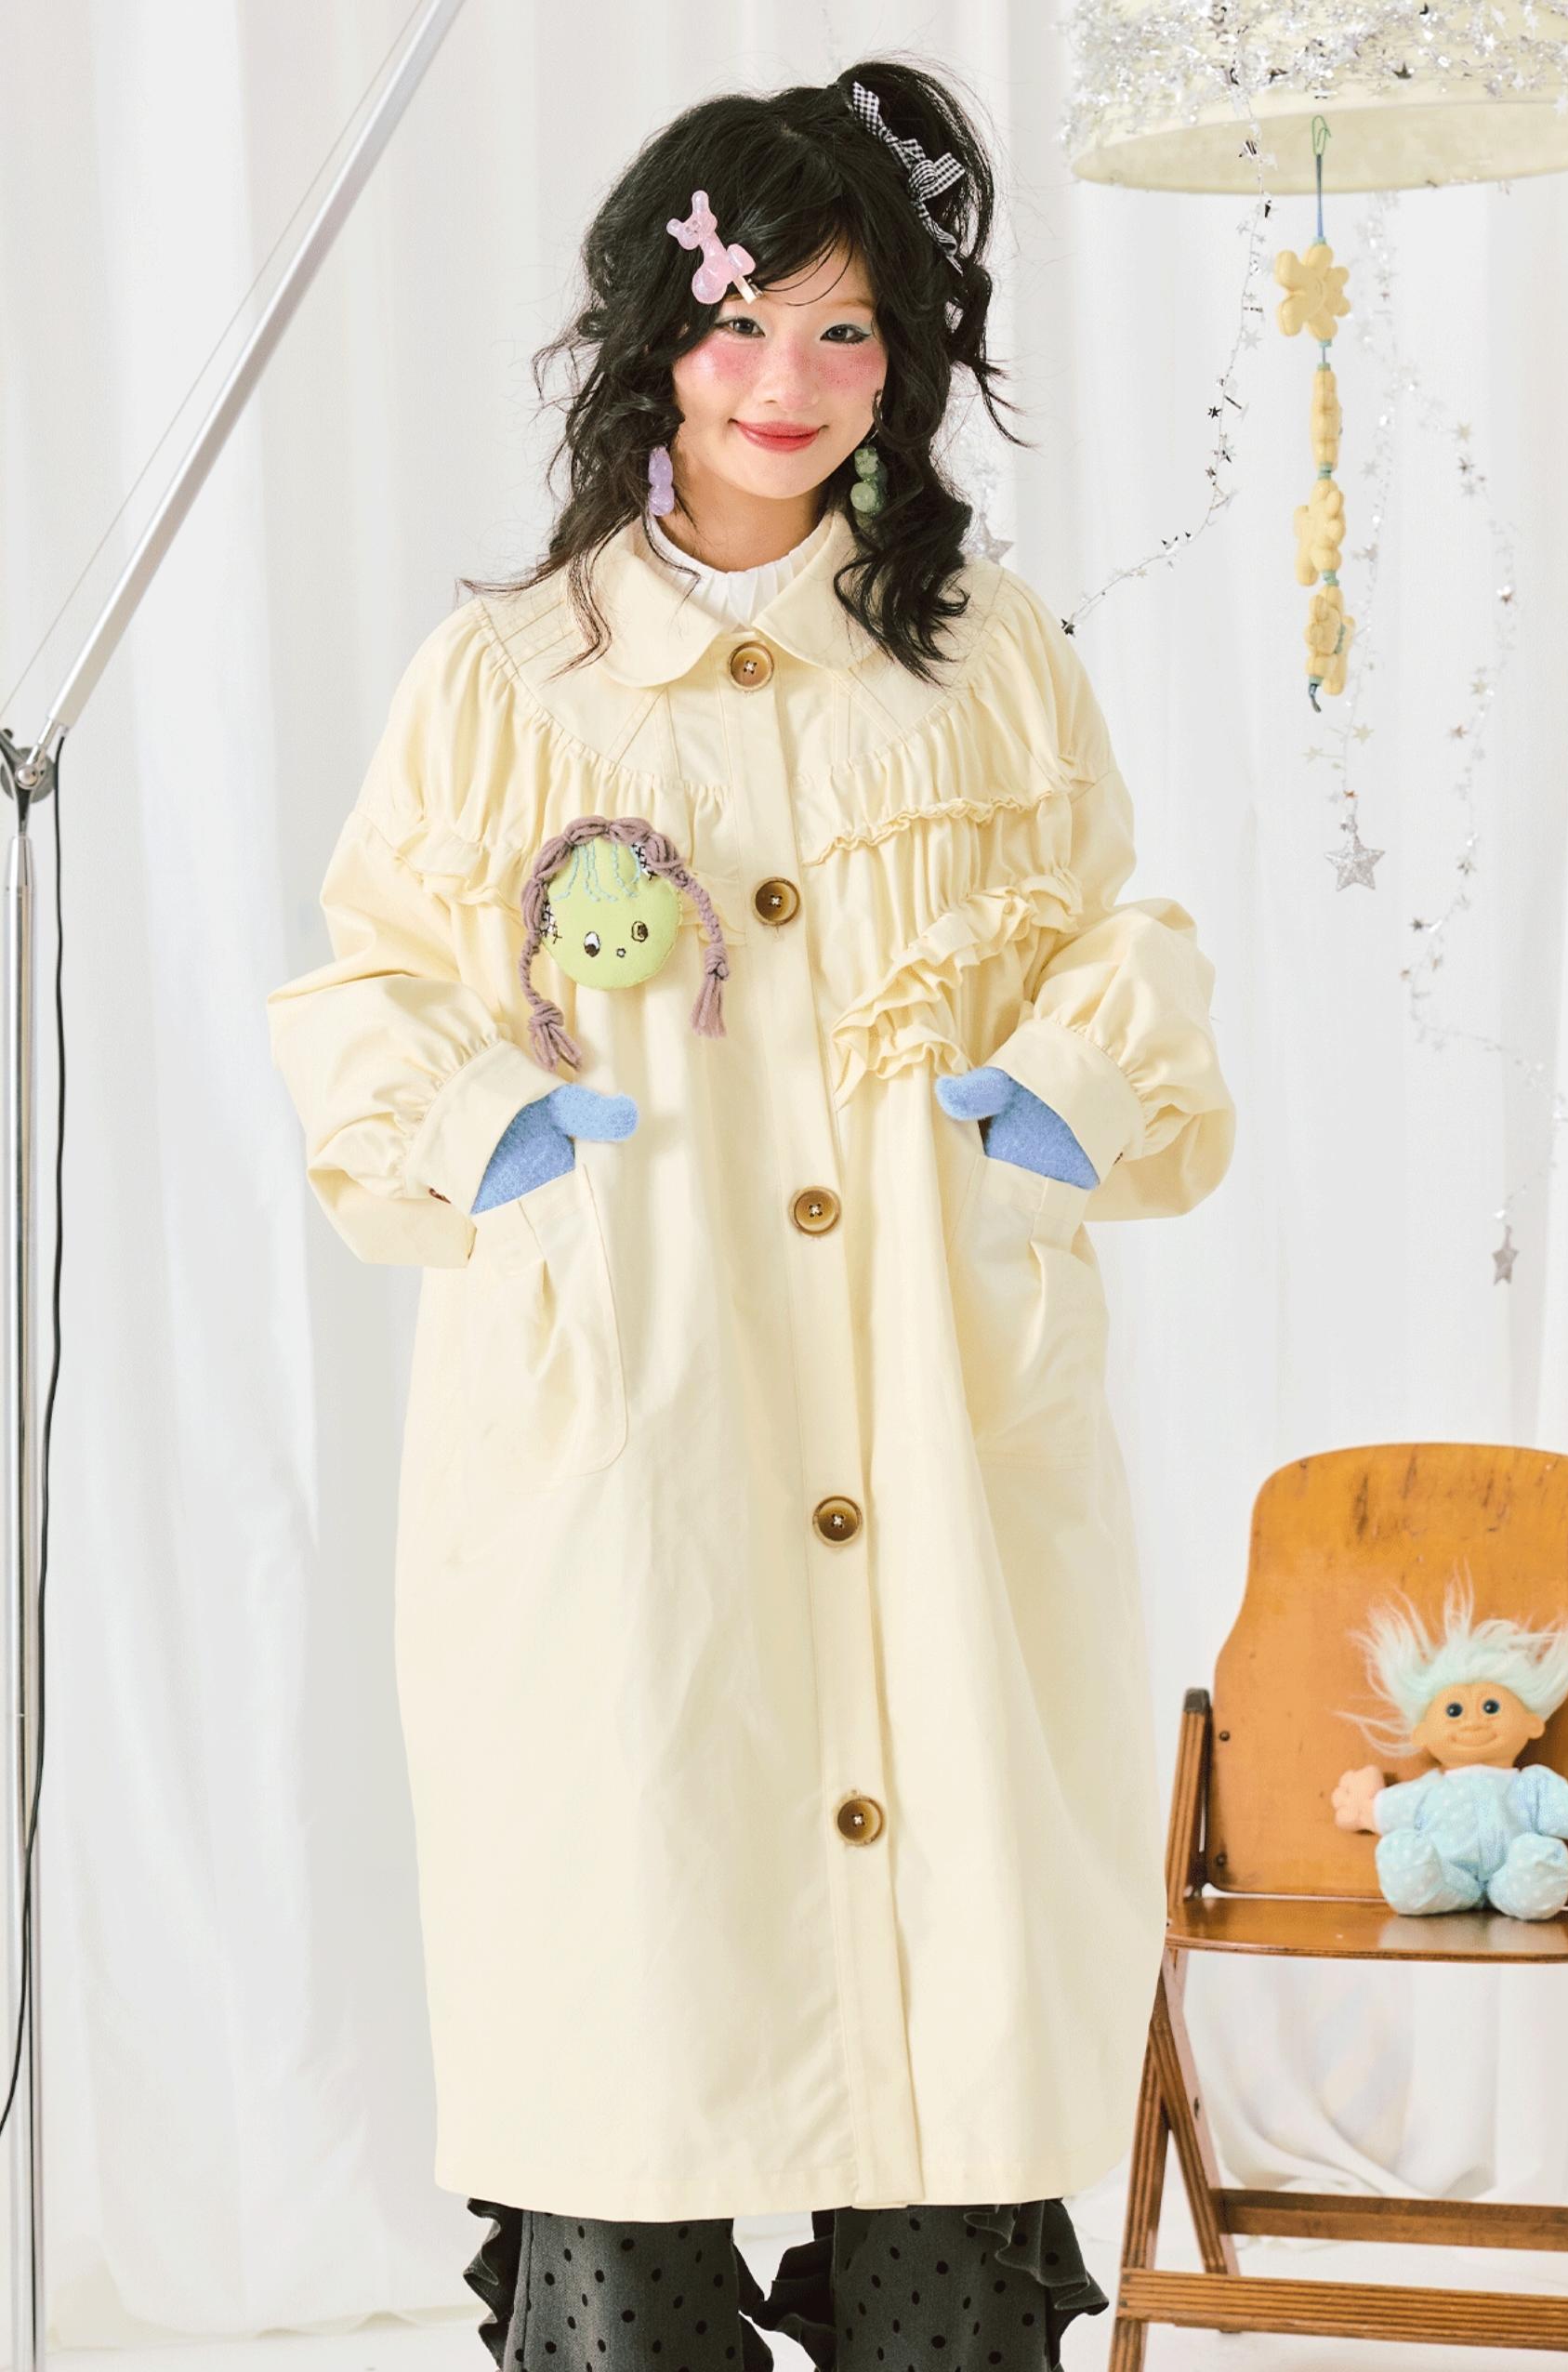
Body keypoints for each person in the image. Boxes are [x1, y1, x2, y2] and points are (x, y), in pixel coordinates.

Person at [265, 57, 1236, 2372]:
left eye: (842, 329)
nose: (784, 383)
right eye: (736, 325)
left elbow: (1120, 929)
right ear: (652, 337)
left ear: (905, 354)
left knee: (942, 2074)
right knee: (634, 2037)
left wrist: (1049, 1101)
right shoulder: (512, 679)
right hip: (628, 1433)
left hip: (934, 1415)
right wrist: (486, 1125)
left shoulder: (981, 657)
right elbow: (366, 981)